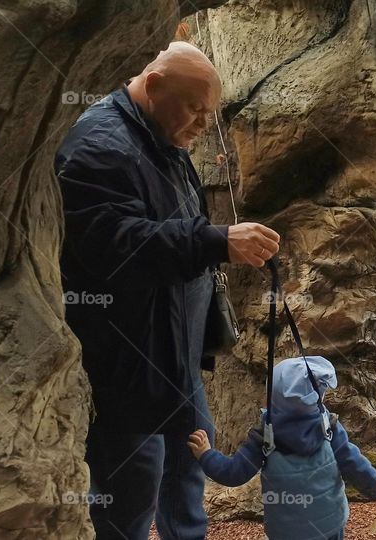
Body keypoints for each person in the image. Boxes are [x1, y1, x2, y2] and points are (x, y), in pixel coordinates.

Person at [56, 41, 281, 539]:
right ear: (153, 85)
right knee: (131, 488)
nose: (204, 122)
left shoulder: (162, 138)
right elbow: (110, 244)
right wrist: (214, 241)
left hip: (174, 355)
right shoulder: (99, 144)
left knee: (190, 461)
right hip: (125, 363)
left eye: (209, 111)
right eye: (195, 108)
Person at [187, 356, 376, 540]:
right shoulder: (328, 428)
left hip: (287, 532)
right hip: (330, 524)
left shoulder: (265, 437)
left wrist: (206, 455)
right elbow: (354, 464)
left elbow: (234, 473)